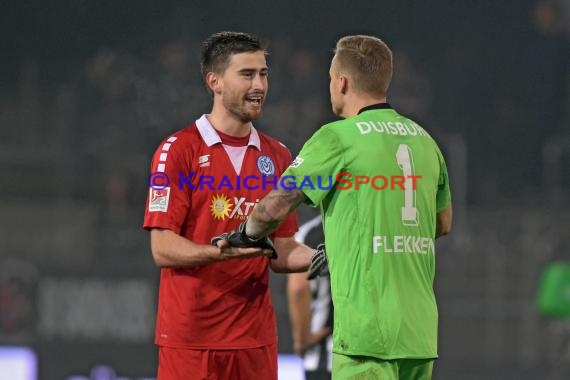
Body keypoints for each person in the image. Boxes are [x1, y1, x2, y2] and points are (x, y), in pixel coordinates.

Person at [222, 34, 453, 379]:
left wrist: (245, 235)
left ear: (342, 82)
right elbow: (442, 223)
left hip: (366, 338)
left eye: (330, 79)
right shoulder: (424, 141)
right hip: (419, 336)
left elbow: (275, 207)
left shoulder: (339, 138)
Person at [143, 31, 318, 380]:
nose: (259, 85)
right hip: (191, 340)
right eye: (247, 74)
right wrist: (220, 252)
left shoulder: (278, 155)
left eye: (264, 74)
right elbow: (162, 248)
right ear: (215, 82)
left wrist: (326, 259)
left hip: (254, 342)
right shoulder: (177, 151)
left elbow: (280, 248)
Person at [288, 214, 333, 380]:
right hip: (372, 349)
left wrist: (301, 340)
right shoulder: (372, 227)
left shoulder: (312, 233)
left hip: (324, 353)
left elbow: (299, 288)